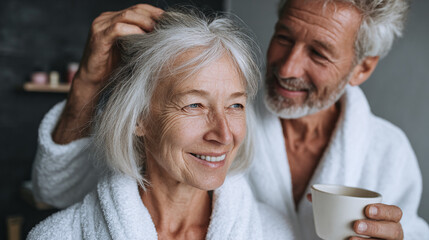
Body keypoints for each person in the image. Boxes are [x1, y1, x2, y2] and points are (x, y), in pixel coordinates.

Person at [31, 1, 429, 239]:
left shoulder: (388, 153)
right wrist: (86, 86)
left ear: (362, 69)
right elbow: (59, 192)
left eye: (319, 54)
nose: (288, 66)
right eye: (284, 37)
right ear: (139, 119)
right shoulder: (221, 88)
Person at [28, 9, 293, 240]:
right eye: (194, 105)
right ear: (138, 118)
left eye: (235, 105)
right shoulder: (59, 235)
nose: (224, 135)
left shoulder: (276, 233)